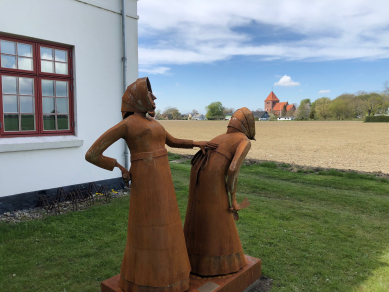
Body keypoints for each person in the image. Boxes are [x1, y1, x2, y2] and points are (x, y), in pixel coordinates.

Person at [85, 77, 208, 292]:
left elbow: (172, 141)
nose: (154, 97)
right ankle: (146, 280)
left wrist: (197, 143)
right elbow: (92, 154)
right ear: (140, 98)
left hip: (164, 178)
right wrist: (118, 167)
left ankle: (173, 276)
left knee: (168, 223)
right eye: (150, 94)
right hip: (145, 180)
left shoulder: (154, 123)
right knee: (148, 226)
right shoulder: (128, 124)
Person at [184, 107, 255, 276]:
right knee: (218, 213)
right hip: (212, 172)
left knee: (197, 211)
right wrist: (233, 199)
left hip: (197, 168)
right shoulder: (244, 141)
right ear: (248, 126)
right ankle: (221, 263)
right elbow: (232, 170)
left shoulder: (222, 137)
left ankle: (189, 259)